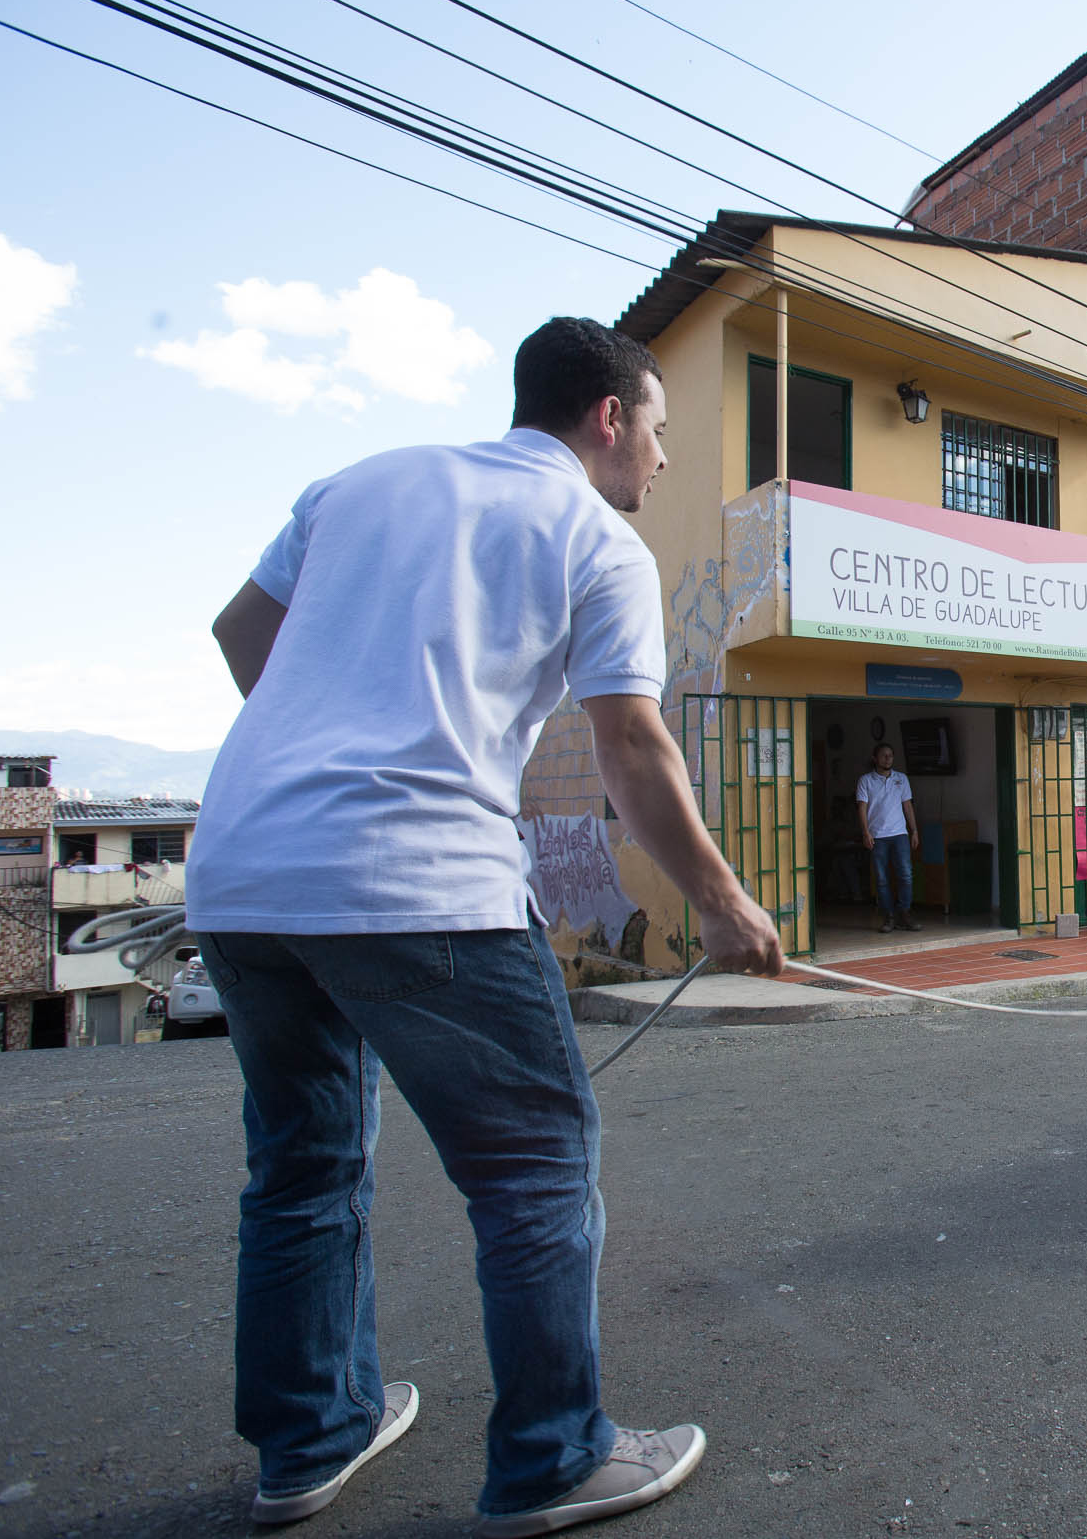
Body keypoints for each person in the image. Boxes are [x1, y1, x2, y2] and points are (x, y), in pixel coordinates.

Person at [186, 317, 783, 1536]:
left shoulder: (359, 485)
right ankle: (553, 1460)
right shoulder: (595, 540)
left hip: (244, 869)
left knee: (301, 1166)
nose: (663, 457)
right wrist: (725, 903)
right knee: (535, 1171)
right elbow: (631, 745)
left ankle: (309, 1440)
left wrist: (332, 751)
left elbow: (239, 636)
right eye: (659, 429)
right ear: (608, 418)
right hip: (423, 882)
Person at [856, 742, 922, 933]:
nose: (887, 759)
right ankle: (889, 916)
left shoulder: (901, 779)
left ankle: (904, 913)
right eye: (884, 755)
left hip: (900, 834)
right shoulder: (865, 780)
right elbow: (862, 808)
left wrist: (914, 830)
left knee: (906, 875)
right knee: (882, 879)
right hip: (877, 836)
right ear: (874, 758)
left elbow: (907, 806)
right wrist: (865, 832)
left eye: (890, 755)